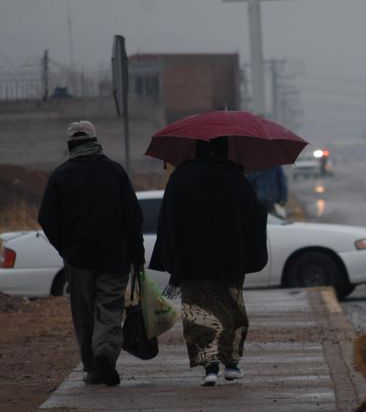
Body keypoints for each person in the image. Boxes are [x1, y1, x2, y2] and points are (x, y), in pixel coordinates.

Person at [149, 137, 268, 386]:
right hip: (230, 261)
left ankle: (209, 367)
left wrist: (173, 260)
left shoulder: (181, 177)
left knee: (198, 313)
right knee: (232, 312)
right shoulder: (236, 178)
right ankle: (232, 364)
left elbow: (168, 220)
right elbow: (253, 216)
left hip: (193, 264)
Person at [38, 121, 145, 387]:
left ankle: (93, 367)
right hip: (115, 258)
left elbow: (46, 219)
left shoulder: (60, 176)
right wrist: (137, 257)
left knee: (84, 315)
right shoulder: (115, 172)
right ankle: (105, 353)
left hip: (78, 262)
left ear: (70, 145)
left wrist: (67, 249)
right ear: (95, 141)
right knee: (109, 309)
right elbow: (134, 218)